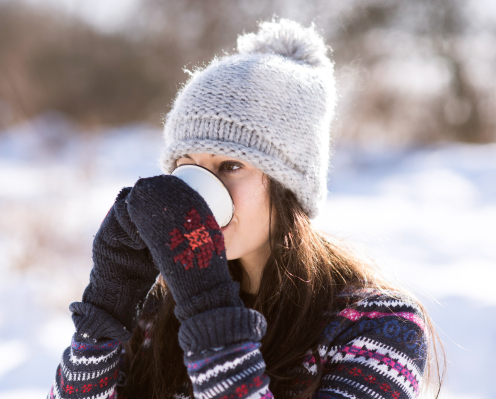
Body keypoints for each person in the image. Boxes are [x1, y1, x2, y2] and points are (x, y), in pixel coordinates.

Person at [48, 18, 443, 399]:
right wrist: (106, 312)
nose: (199, 195)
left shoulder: (376, 326)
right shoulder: (154, 316)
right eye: (188, 167)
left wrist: (211, 317)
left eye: (231, 165)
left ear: (289, 184)